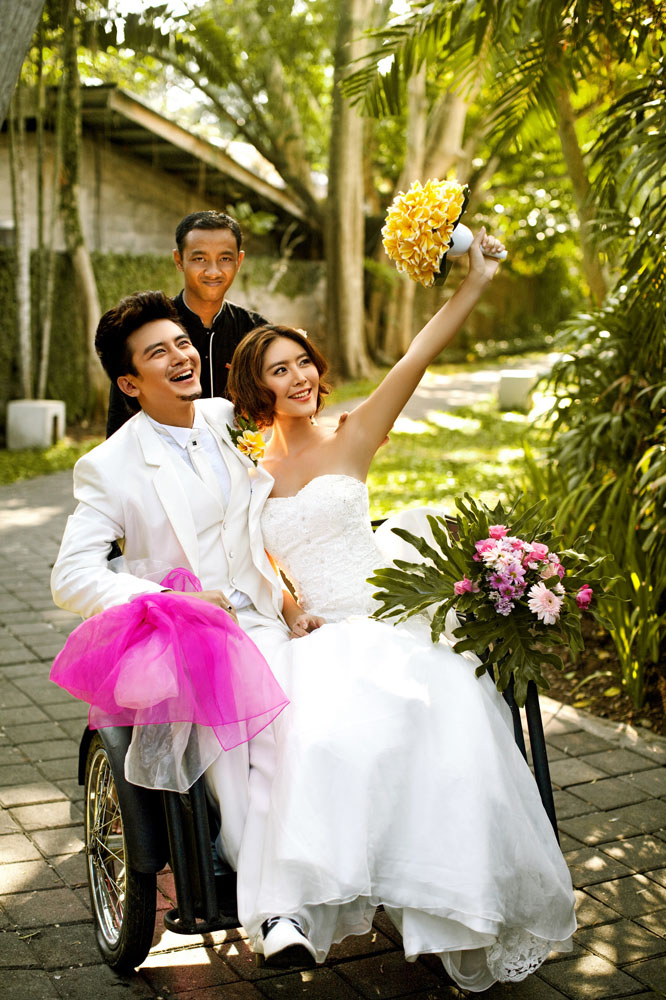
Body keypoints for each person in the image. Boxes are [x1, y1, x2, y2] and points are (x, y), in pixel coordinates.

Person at [226, 229, 577, 990]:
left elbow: (418, 355)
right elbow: (250, 562)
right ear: (258, 388)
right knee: (317, 739)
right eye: (279, 370)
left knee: (437, 718)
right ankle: (297, 905)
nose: (299, 377)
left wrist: (475, 281)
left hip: (386, 621)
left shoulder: (355, 434)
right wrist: (288, 605)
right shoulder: (247, 473)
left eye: (304, 362)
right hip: (315, 634)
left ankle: (450, 906)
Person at [51, 290, 319, 867]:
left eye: (181, 343)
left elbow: (303, 435)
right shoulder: (108, 467)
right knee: (248, 751)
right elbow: (70, 576)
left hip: (268, 618)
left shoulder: (231, 418)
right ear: (129, 383)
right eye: (158, 353)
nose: (180, 357)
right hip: (193, 642)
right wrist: (170, 598)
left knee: (318, 725)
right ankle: (261, 877)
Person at [105, 210, 267, 437]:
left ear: (239, 261)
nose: (213, 272)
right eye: (200, 259)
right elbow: (120, 425)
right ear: (179, 260)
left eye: (225, 259)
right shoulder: (147, 329)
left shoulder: (256, 332)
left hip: (238, 455)